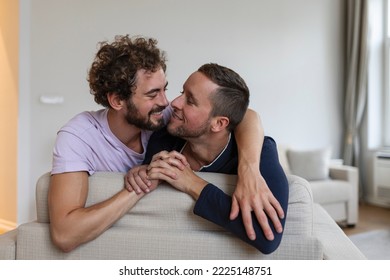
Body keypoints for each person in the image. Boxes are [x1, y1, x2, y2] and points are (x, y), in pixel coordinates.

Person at [48, 35, 282, 252]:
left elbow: (244, 115)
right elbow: (65, 234)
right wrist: (142, 183)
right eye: (152, 94)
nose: (168, 102)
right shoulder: (81, 137)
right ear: (118, 100)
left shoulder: (166, 122)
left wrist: (249, 169)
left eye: (165, 89)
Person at [125, 63, 289, 253]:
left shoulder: (262, 154)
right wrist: (141, 170)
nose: (174, 103)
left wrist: (192, 183)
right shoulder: (163, 137)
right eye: (181, 92)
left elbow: (267, 239)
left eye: (190, 101)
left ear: (219, 123)